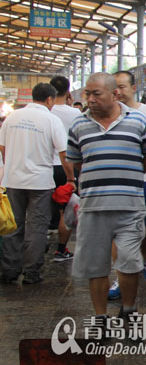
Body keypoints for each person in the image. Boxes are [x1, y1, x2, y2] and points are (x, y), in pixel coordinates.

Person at [68, 73, 146, 325]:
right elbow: (76, 162)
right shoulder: (78, 125)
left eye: (96, 93)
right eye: (88, 93)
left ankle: (129, 311)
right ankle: (100, 317)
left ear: (114, 94)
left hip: (129, 208)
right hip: (93, 208)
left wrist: (128, 174)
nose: (90, 99)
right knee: (95, 267)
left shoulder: (139, 121)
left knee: (129, 263)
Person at [0, 83, 74, 284]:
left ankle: (9, 271)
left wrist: (11, 166)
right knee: (37, 227)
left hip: (13, 180)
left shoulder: (12, 117)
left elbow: (2, 147)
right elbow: (63, 153)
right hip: (40, 182)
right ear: (50, 100)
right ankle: (31, 273)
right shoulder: (51, 120)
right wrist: (70, 178)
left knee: (13, 225)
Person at [111, 70, 146, 294]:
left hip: (145, 181)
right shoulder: (109, 113)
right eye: (115, 87)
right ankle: (118, 277)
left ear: (134, 88)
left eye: (122, 86)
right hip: (118, 184)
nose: (118, 91)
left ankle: (144, 261)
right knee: (117, 231)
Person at [49, 75, 83, 262]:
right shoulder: (76, 114)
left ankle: (37, 244)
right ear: (68, 92)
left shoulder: (46, 112)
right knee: (66, 210)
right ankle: (61, 249)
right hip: (68, 168)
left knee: (40, 210)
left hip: (46, 168)